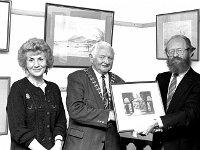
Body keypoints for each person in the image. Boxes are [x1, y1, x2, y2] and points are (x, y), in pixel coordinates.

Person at [139, 35, 200, 150]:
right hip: (159, 144)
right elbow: (153, 107)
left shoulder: (197, 82)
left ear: (190, 52)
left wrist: (158, 122)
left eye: (179, 50)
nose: (175, 55)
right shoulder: (161, 78)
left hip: (183, 146)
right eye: (171, 51)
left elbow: (189, 114)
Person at [63, 41, 126, 150]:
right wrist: (108, 115)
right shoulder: (77, 77)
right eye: (102, 57)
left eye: (110, 58)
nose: (106, 61)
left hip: (112, 145)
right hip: (82, 144)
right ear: (91, 58)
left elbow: (127, 112)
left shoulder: (119, 81)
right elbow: (75, 110)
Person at [6, 38, 67, 150]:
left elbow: (61, 121)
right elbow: (17, 129)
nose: (36, 64)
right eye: (31, 60)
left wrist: (58, 145)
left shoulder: (54, 88)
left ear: (47, 61)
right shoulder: (18, 88)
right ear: (25, 63)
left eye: (40, 59)